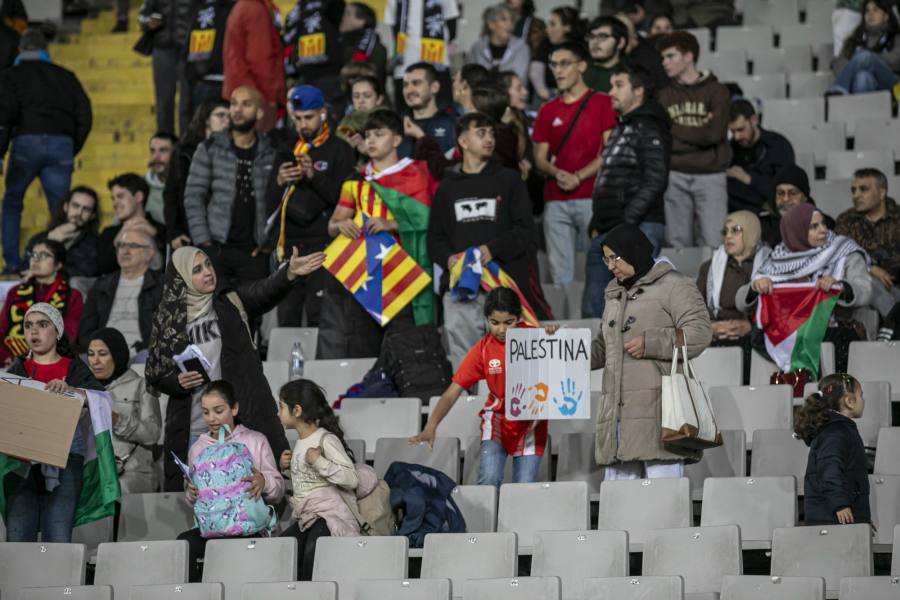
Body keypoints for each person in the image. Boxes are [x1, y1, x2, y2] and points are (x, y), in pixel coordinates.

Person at [145, 245, 325, 491]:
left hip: (242, 423)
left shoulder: (229, 301)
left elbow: (263, 291)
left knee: (253, 491)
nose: (207, 272)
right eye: (197, 270)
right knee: (201, 499)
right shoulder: (168, 319)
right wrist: (177, 381)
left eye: (208, 265)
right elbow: (155, 373)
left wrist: (288, 273)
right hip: (193, 430)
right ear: (182, 278)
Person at [590, 224, 712, 479]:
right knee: (619, 501)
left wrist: (652, 342)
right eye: (606, 259)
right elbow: (604, 347)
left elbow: (700, 332)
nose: (610, 266)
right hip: (618, 424)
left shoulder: (675, 284)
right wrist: (564, 349)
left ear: (633, 251)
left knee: (663, 500)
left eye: (615, 258)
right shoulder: (613, 292)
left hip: (661, 420)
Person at [428, 112, 552, 358]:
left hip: (504, 284)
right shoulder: (446, 187)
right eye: (481, 133)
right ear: (463, 141)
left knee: (513, 361)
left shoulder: (509, 179)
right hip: (461, 288)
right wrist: (448, 259)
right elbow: (435, 238)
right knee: (467, 362)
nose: (489, 139)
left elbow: (525, 230)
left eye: (491, 133)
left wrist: (492, 249)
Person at [410, 288, 558, 487]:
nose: (501, 330)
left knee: (524, 490)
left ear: (519, 318)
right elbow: (451, 393)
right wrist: (430, 426)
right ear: (487, 319)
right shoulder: (482, 350)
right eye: (494, 323)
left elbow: (565, 363)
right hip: (497, 424)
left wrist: (554, 336)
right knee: (489, 480)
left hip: (531, 427)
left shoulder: (537, 337)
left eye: (509, 322)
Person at [320, 109, 436, 358]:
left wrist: (390, 224)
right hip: (366, 278)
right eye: (368, 135)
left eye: (379, 134)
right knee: (365, 349)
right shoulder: (356, 180)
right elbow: (332, 225)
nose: (370, 140)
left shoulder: (418, 173)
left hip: (404, 275)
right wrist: (342, 225)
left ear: (397, 140)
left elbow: (431, 220)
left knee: (406, 348)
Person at [2, 303, 104, 542]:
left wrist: (71, 391)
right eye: (28, 326)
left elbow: (101, 399)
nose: (33, 331)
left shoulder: (74, 366)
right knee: (18, 537)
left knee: (57, 536)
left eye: (42, 325)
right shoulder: (18, 368)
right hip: (20, 459)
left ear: (57, 331)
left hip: (66, 457)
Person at [736, 204, 872, 372]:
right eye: (813, 227)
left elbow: (865, 291)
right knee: (752, 342)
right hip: (788, 332)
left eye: (823, 223)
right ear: (796, 231)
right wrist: (756, 286)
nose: (823, 230)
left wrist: (841, 287)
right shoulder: (777, 259)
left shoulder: (845, 251)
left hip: (832, 329)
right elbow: (740, 302)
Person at [0, 29, 92, 274]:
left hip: (25, 144)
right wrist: (71, 146)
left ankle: (12, 264)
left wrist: (0, 152)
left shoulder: (10, 75)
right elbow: (85, 115)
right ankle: (61, 264)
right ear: (46, 50)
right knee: (61, 210)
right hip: (62, 145)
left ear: (20, 49)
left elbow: (4, 115)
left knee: (12, 203)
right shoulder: (66, 76)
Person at [584, 62, 670, 320]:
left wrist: (627, 224)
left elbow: (655, 179)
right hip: (613, 229)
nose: (611, 91)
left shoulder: (650, 126)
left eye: (619, 85)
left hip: (638, 228)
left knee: (632, 311)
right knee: (597, 310)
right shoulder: (623, 126)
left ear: (639, 90)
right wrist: (597, 222)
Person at [266, 85, 357, 327]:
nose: (303, 124)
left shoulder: (340, 149)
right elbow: (270, 202)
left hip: (323, 244)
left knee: (321, 316)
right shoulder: (286, 148)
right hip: (291, 245)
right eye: (297, 119)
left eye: (308, 117)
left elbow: (344, 199)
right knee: (287, 316)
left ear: (323, 113)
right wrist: (279, 182)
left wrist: (314, 177)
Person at [178, 380, 284, 582]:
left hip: (250, 528)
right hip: (212, 529)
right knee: (184, 544)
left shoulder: (255, 440)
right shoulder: (197, 449)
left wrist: (263, 482)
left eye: (218, 411)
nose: (211, 418)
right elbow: (194, 498)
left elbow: (278, 491)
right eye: (205, 412)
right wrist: (191, 493)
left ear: (234, 408)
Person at [533, 41, 616, 286]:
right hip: (555, 199)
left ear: (581, 66)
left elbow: (610, 151)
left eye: (564, 64)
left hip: (592, 196)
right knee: (560, 276)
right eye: (553, 65)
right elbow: (539, 158)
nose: (557, 70)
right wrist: (558, 173)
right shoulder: (547, 110)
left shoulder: (603, 102)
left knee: (599, 270)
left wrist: (578, 176)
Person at [184, 86, 276, 288]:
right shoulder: (209, 148)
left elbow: (277, 201)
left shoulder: (270, 152)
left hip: (255, 254)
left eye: (246, 104)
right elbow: (193, 197)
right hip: (217, 249)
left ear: (259, 113)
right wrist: (204, 243)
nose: (237, 110)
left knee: (253, 308)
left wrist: (268, 243)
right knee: (217, 307)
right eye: (234, 104)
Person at [655, 31, 731, 248]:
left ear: (688, 56)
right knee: (677, 245)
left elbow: (714, 134)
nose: (665, 62)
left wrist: (674, 129)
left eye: (670, 56)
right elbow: (662, 137)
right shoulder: (663, 95)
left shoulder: (717, 91)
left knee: (714, 242)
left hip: (711, 174)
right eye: (663, 58)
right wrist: (700, 130)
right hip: (675, 173)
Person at [277, 379, 359, 580]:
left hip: (329, 515)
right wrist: (287, 469)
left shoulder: (326, 439)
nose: (278, 413)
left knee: (313, 552)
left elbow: (351, 479)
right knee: (280, 549)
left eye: (281, 407)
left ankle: (312, 592)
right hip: (307, 517)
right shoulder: (300, 442)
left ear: (297, 410)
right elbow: (308, 479)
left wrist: (319, 461)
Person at [86, 327, 162, 493]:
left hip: (131, 472)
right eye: (91, 354)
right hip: (93, 471)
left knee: (114, 492)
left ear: (117, 355)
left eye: (102, 354)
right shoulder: (85, 388)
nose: (95, 361)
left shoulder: (141, 386)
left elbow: (152, 434)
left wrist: (115, 419)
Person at [697, 211, 769, 384]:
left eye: (735, 230)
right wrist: (710, 327)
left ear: (751, 232)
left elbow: (777, 312)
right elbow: (696, 306)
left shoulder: (770, 265)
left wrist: (750, 326)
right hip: (716, 339)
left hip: (757, 341)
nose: (728, 236)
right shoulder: (710, 268)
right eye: (725, 231)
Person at [795, 373, 869, 526]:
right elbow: (830, 470)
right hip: (831, 519)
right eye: (860, 395)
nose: (863, 400)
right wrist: (840, 504)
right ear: (849, 401)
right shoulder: (836, 433)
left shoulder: (837, 429)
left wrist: (861, 517)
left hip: (838, 517)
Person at [835, 168, 900, 340]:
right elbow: (838, 255)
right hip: (862, 285)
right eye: (853, 190)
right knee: (871, 284)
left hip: (896, 285)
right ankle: (894, 324)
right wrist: (870, 268)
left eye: (863, 189)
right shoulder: (846, 220)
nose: (856, 195)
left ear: (882, 192)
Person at [78, 227, 164, 357]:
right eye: (121, 245)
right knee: (80, 361)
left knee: (146, 358)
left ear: (150, 253)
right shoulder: (101, 285)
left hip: (142, 352)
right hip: (102, 354)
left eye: (133, 246)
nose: (125, 251)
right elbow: (86, 330)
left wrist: (143, 347)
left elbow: (166, 330)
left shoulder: (162, 285)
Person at [1, 240, 83, 367]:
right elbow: (2, 330)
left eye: (44, 255)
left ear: (58, 265)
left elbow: (68, 336)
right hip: (11, 361)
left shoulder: (72, 295)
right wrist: (5, 357)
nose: (36, 259)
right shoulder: (15, 292)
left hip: (51, 361)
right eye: (33, 254)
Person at [164, 100, 231, 250]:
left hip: (224, 235)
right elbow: (171, 194)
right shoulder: (184, 153)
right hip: (189, 233)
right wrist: (174, 231)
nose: (227, 121)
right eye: (221, 115)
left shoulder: (233, 152)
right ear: (206, 119)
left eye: (229, 116)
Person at [383, 0, 460, 111]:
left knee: (442, 109)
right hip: (405, 63)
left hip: (436, 62)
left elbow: (452, 27)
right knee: (405, 111)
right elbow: (392, 26)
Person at [222, 0, 285, 131]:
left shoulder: (241, 6)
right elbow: (260, 60)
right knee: (260, 141)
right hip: (256, 96)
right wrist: (270, 98)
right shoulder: (255, 10)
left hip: (239, 92)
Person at [726, 99, 796, 214]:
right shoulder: (731, 149)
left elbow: (785, 190)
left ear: (754, 120)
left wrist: (749, 179)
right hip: (739, 215)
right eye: (732, 131)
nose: (737, 136)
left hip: (773, 214)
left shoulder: (778, 145)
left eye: (741, 129)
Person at [138, 0, 193, 134]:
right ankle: (165, 142)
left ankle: (187, 144)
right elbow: (142, 16)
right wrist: (149, 22)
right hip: (162, 48)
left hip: (190, 49)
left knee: (188, 103)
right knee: (163, 103)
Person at [23, 186, 100, 278]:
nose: (79, 213)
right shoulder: (40, 238)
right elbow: (25, 267)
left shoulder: (96, 243)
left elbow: (85, 273)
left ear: (92, 215)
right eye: (75, 206)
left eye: (86, 209)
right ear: (66, 207)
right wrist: (50, 241)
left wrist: (54, 247)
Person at [97, 173, 166, 276]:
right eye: (113, 198)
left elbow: (171, 267)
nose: (114, 203)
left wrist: (156, 236)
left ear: (138, 197)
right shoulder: (109, 233)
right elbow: (103, 268)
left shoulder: (162, 230)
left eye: (120, 196)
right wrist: (120, 237)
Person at [831, 0, 900, 98]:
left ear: (886, 16)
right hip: (866, 84)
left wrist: (868, 59)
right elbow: (839, 66)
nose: (871, 14)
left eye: (875, 10)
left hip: (892, 85)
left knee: (865, 56)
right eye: (867, 11)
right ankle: (866, 107)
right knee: (862, 77)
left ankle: (838, 88)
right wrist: (859, 63)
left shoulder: (896, 37)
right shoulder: (854, 39)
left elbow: (895, 61)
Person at [282, 0, 344, 102]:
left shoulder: (332, 3)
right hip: (305, 76)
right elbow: (288, 41)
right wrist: (290, 74)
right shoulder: (297, 9)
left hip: (329, 74)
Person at [758, 164, 829, 248]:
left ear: (805, 197)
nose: (786, 199)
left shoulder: (826, 224)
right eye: (780, 193)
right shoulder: (761, 226)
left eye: (793, 193)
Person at [398, 62, 458, 158]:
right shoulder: (396, 125)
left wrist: (421, 137)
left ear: (434, 87)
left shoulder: (453, 123)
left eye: (416, 83)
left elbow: (452, 164)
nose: (409, 90)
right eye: (405, 85)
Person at [184, 0, 234, 110]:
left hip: (232, 83)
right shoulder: (202, 10)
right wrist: (195, 73)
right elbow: (193, 49)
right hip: (205, 82)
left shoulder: (242, 8)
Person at [530, 6, 584, 102]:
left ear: (567, 27)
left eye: (553, 24)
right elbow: (536, 69)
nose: (547, 29)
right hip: (547, 92)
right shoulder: (546, 43)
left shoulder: (580, 48)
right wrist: (543, 92)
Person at [466, 3, 530, 82]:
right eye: (503, 19)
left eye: (512, 20)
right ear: (491, 24)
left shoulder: (521, 48)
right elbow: (470, 76)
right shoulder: (477, 47)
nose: (509, 24)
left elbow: (520, 79)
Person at [338, 2, 388, 90]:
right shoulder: (340, 43)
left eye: (347, 14)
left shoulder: (375, 49)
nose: (342, 17)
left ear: (361, 21)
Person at [336, 75, 386, 157]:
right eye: (356, 96)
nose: (361, 100)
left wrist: (369, 150)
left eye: (367, 96)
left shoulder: (388, 122)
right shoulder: (345, 122)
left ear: (379, 99)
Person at [583, 16, 629, 93]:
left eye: (602, 36)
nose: (595, 42)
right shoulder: (579, 69)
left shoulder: (629, 76)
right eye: (591, 36)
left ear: (620, 43)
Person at [145, 131, 178, 226]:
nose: (156, 157)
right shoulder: (138, 187)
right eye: (152, 151)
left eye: (163, 151)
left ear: (176, 154)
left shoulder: (189, 187)